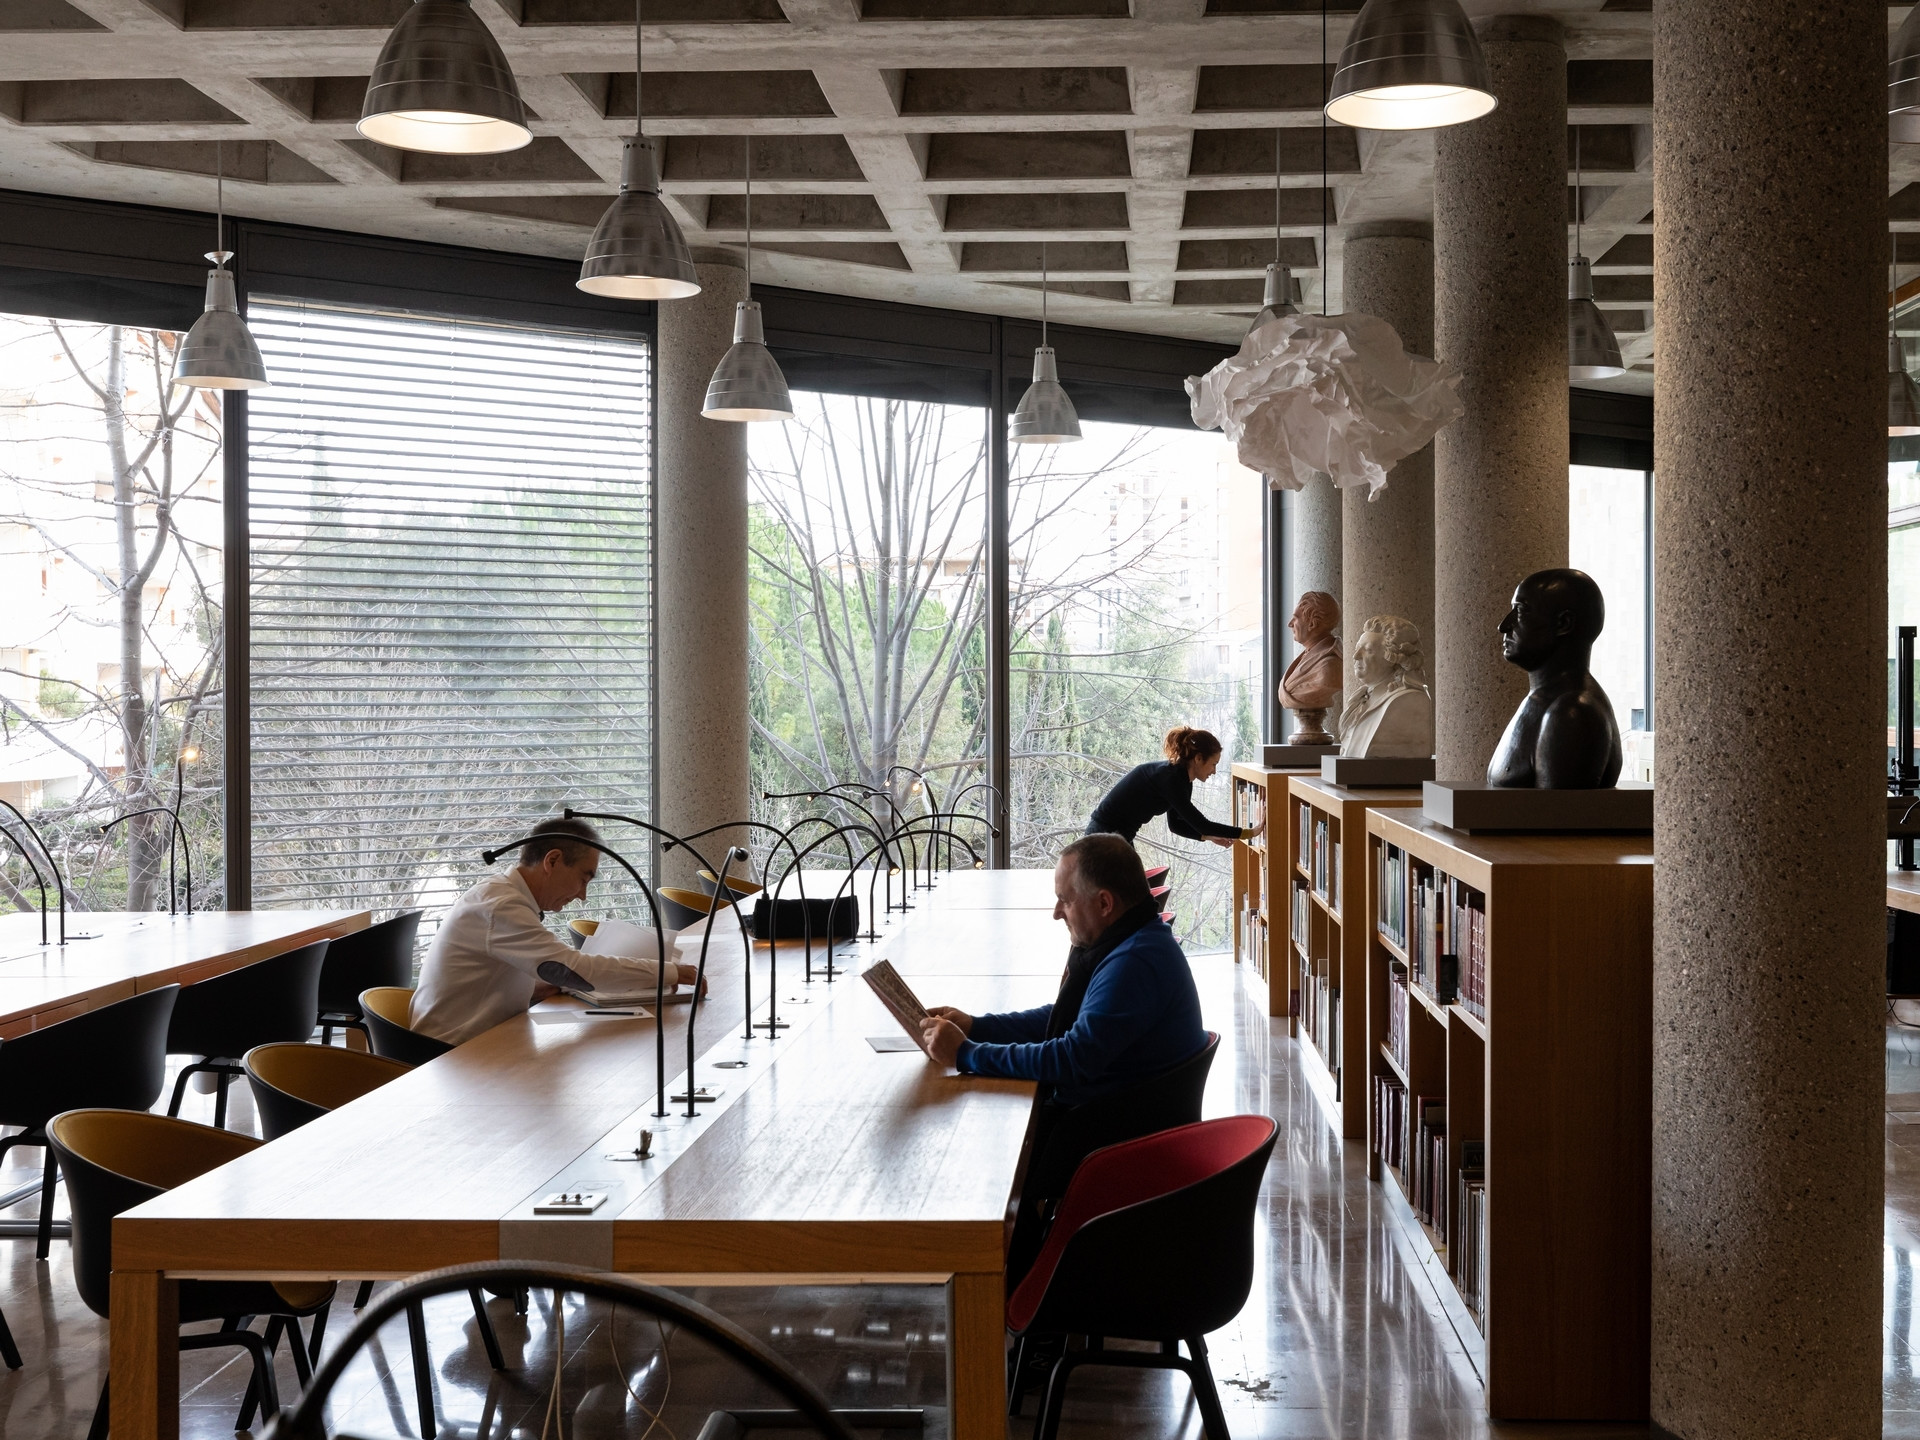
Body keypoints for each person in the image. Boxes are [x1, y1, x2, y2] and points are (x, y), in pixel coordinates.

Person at [915, 834, 1207, 1107]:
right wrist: (977, 1027)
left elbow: (1070, 1060)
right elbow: (1068, 1019)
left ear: (1104, 903)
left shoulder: (1134, 962)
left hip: (1111, 1134)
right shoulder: (1134, 939)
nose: (1056, 912)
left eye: (1065, 900)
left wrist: (966, 1053)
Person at [411, 816, 703, 1046]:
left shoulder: (504, 895)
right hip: (449, 1055)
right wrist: (671, 972)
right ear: (552, 861)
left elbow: (494, 976)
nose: (582, 895)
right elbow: (572, 968)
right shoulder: (500, 906)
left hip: (475, 1043)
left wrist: (533, 986)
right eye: (583, 878)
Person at [1486, 568, 1623, 789]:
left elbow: (1556, 818)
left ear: (1563, 624)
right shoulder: (1544, 700)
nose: (1504, 626)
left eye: (1520, 612)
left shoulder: (1573, 713)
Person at [1085, 725, 1260, 850]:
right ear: (1198, 758)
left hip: (1119, 835)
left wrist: (1208, 836)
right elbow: (1201, 824)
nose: (1214, 771)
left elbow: (1176, 825)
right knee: (1135, 897)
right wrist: (1249, 832)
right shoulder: (1170, 778)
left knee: (1136, 897)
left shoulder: (1183, 780)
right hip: (1103, 835)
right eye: (1213, 764)